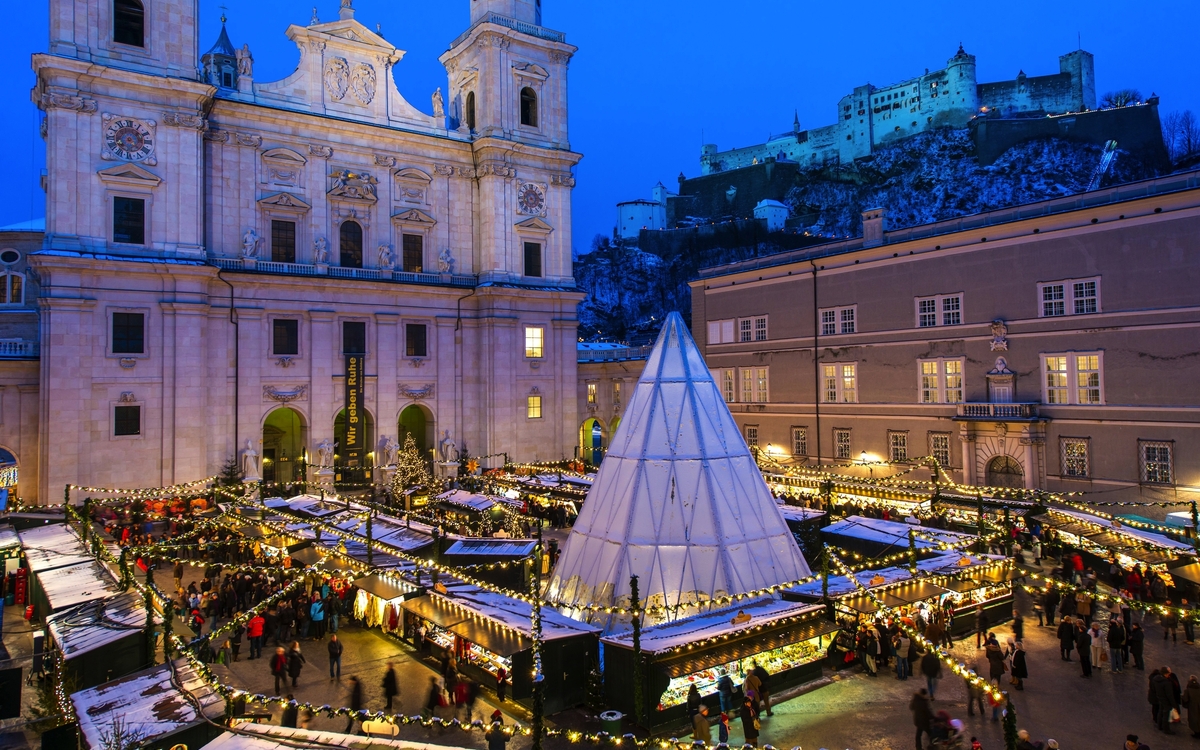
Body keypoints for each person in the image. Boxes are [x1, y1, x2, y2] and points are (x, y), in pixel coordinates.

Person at [1152, 666, 1180, 733]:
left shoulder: (1156, 679)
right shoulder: (1167, 683)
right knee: (1166, 715)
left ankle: (1159, 725)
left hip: (1160, 698)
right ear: (1166, 674)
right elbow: (1170, 695)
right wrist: (1174, 705)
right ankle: (1166, 729)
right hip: (1166, 700)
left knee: (1161, 711)